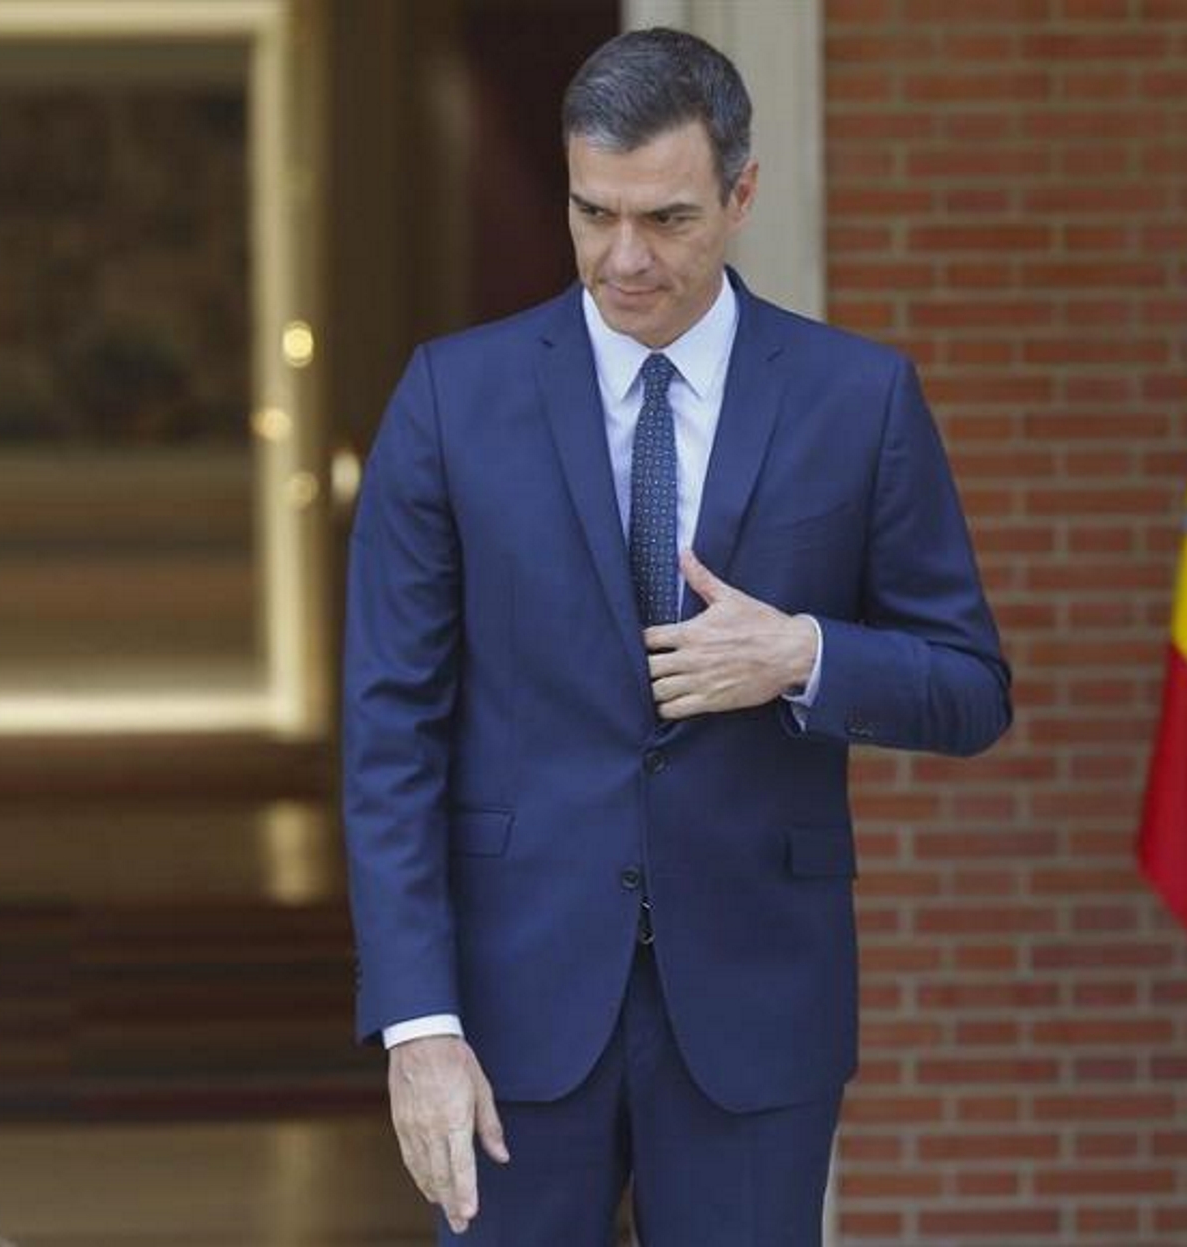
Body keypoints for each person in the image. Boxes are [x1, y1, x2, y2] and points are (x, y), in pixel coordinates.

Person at [342, 26, 1011, 1247]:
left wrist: (804, 654)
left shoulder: (858, 400)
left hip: (759, 1009)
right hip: (506, 1011)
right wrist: (417, 1024)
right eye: (592, 213)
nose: (624, 258)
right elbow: (391, 730)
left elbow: (970, 685)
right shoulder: (451, 398)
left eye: (667, 219)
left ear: (743, 193)